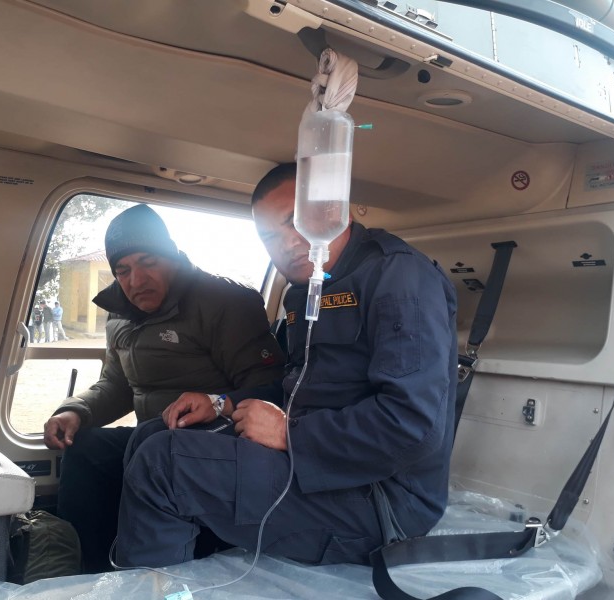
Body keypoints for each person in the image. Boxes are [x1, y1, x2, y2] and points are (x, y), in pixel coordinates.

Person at [115, 163, 458, 569]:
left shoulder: (398, 277)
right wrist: (222, 402)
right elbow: (298, 386)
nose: (287, 244)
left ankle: (152, 590)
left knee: (164, 463)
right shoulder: (304, 290)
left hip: (383, 499)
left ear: (340, 212)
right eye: (269, 236)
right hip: (316, 467)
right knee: (154, 434)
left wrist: (290, 433)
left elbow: (413, 426)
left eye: (296, 223)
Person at [43, 203, 284, 573]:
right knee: (87, 449)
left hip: (216, 444)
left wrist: (216, 401)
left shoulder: (224, 301)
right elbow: (116, 384)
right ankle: (88, 573)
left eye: (148, 262)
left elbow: (270, 387)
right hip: (151, 438)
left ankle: (158, 575)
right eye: (123, 270)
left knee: (154, 446)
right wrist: (75, 410)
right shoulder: (119, 313)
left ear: (172, 256)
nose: (136, 280)